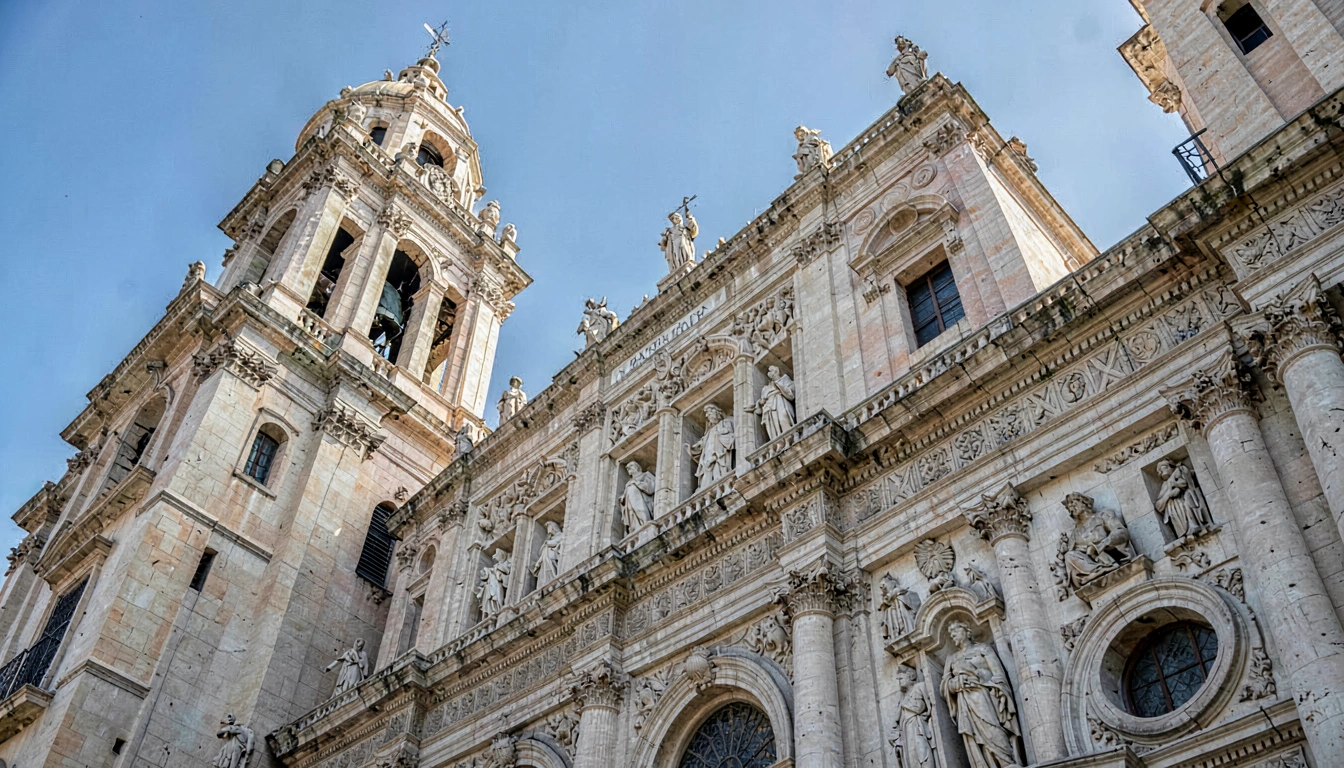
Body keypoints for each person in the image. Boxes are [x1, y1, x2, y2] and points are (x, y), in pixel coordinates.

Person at [941, 620, 1022, 768]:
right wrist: (957, 682)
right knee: (976, 735)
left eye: (956, 630)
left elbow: (998, 674)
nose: (953, 635)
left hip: (985, 694)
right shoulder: (952, 659)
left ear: (967, 632)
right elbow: (945, 686)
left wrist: (977, 674)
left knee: (993, 728)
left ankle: (1007, 762)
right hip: (965, 700)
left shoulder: (983, 649)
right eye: (951, 633)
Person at [891, 665, 938, 768]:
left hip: (918, 727)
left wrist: (906, 704)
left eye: (901, 678)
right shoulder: (902, 696)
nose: (899, 681)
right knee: (911, 758)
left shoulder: (919, 686)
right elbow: (896, 721)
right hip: (906, 730)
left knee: (922, 752)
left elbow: (924, 707)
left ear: (910, 676)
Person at [1155, 459, 1213, 540]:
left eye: (1165, 468)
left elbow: (1186, 482)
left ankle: (1194, 525)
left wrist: (1177, 486)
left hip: (1185, 498)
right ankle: (1187, 531)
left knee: (1187, 501)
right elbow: (1158, 505)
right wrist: (1169, 494)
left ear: (1171, 467)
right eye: (1161, 471)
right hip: (1174, 507)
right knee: (1175, 508)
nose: (1163, 472)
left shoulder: (1179, 471)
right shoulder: (1165, 484)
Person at [688, 404, 736, 487]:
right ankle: (706, 485)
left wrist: (720, 434)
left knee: (719, 465)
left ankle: (721, 481)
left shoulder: (726, 422)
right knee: (707, 468)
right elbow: (702, 443)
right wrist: (693, 449)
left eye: (710, 414)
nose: (708, 416)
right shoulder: (709, 431)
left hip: (719, 453)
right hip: (708, 454)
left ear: (717, 413)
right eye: (707, 416)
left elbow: (730, 434)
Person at [754, 366, 796, 441]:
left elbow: (791, 394)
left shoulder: (785, 379)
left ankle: (788, 439)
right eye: (769, 372)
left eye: (771, 371)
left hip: (780, 403)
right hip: (769, 408)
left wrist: (778, 383)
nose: (770, 373)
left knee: (783, 419)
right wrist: (760, 403)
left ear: (777, 371)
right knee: (772, 425)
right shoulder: (766, 388)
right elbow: (762, 400)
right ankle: (778, 443)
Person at [620, 461, 656, 533]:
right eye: (627, 468)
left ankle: (645, 521)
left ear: (636, 467)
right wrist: (623, 497)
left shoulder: (645, 475)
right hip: (630, 503)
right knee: (632, 513)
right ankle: (636, 527)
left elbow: (651, 488)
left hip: (641, 500)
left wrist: (637, 483)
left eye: (631, 466)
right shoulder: (628, 482)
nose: (628, 469)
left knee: (640, 509)